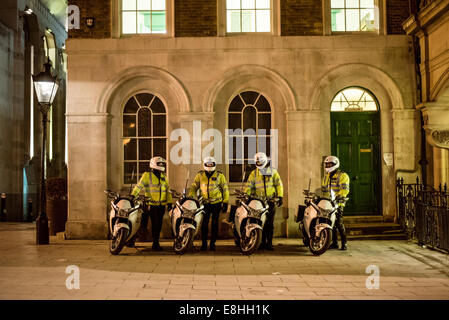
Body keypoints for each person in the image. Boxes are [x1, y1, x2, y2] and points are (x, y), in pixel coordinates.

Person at [130, 156, 172, 251]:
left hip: (161, 206)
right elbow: (139, 186)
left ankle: (155, 242)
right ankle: (134, 239)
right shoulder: (147, 175)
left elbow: (167, 191)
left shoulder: (164, 177)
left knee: (158, 224)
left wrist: (169, 203)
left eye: (162, 164)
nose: (161, 165)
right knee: (147, 223)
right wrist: (133, 195)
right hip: (150, 205)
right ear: (153, 164)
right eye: (159, 164)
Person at [244, 152, 283, 251]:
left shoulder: (272, 171)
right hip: (259, 202)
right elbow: (249, 185)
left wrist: (280, 196)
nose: (259, 163)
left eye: (261, 162)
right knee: (259, 222)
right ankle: (260, 242)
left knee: (270, 223)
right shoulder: (254, 173)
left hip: (270, 200)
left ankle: (269, 243)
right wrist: (246, 195)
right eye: (257, 162)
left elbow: (279, 184)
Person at [189, 156, 229, 251]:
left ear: (214, 165)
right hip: (205, 204)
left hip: (216, 203)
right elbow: (194, 186)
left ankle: (212, 244)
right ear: (204, 165)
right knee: (204, 224)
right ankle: (204, 243)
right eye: (208, 164)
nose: (210, 166)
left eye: (211, 164)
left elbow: (225, 190)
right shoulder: (200, 175)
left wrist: (225, 202)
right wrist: (191, 196)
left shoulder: (220, 176)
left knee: (215, 224)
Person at [321, 156, 349, 250]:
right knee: (330, 223)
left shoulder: (342, 176)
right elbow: (323, 190)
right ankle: (334, 243)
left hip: (338, 203)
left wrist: (339, 196)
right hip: (328, 203)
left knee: (338, 223)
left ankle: (344, 243)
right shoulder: (326, 176)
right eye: (327, 164)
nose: (328, 166)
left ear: (335, 165)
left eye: (330, 164)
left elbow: (344, 189)